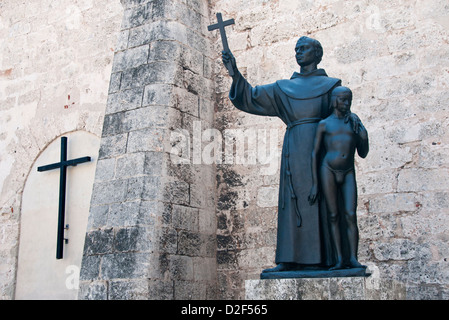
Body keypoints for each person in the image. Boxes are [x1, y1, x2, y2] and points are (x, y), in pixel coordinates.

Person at [222, 36, 342, 272]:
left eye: (304, 49)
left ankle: (329, 259)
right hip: (294, 151)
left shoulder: (332, 85)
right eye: (296, 49)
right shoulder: (283, 89)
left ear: (317, 54)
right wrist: (235, 73)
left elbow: (341, 119)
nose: (298, 52)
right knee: (292, 201)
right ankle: (289, 259)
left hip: (321, 152)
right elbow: (251, 96)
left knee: (321, 202)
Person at [308, 86, 369, 270]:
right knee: (333, 215)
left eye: (349, 99)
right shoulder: (324, 124)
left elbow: (363, 152)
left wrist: (363, 133)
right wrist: (314, 184)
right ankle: (339, 258)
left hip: (348, 171)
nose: (346, 103)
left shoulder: (353, 122)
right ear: (335, 100)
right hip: (328, 170)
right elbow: (315, 153)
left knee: (350, 214)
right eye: (343, 99)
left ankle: (353, 258)